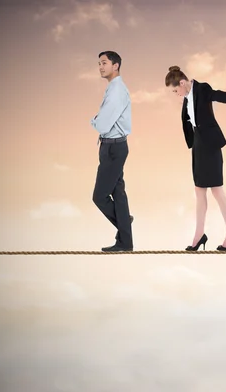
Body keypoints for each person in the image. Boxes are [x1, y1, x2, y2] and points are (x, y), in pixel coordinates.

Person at [164, 66, 226, 251]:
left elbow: (216, 94)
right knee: (199, 191)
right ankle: (199, 234)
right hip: (198, 145)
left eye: (175, 90)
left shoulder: (202, 89)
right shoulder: (186, 98)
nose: (176, 94)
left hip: (210, 144)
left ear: (182, 83)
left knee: (217, 190)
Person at [90, 50, 134, 252]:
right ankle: (125, 242)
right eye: (99, 63)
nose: (100, 66)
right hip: (112, 145)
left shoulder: (116, 90)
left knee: (99, 196)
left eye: (104, 62)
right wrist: (99, 120)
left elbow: (103, 123)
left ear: (115, 66)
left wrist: (94, 120)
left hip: (113, 147)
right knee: (119, 194)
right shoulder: (113, 88)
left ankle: (124, 223)